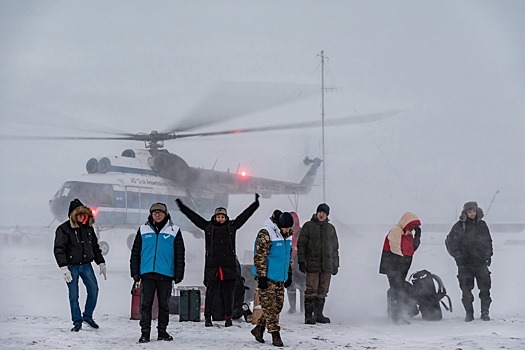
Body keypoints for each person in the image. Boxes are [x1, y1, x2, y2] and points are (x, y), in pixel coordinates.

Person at [176, 194, 259, 327]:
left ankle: (228, 318)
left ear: (226, 217)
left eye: (222, 217)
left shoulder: (232, 227)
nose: (220, 219)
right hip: (213, 266)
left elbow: (244, 217)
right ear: (215, 217)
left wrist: (255, 205)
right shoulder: (209, 228)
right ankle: (208, 317)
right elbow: (194, 218)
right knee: (211, 293)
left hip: (229, 266)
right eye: (218, 217)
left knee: (229, 294)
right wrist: (182, 208)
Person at [130, 203, 185, 343]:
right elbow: (135, 252)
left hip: (166, 274)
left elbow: (179, 254)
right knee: (145, 305)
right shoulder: (143, 229)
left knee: (164, 305)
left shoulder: (174, 230)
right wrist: (135, 273)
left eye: (160, 212)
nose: (157, 214)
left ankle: (162, 331)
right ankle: (145, 333)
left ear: (165, 214)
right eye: (155, 212)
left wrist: (179, 273)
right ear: (151, 214)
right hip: (147, 273)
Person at [53, 198, 106, 332]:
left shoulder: (88, 228)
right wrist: (64, 268)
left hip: (87, 265)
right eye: (78, 214)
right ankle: (77, 322)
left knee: (94, 291)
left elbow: (94, 246)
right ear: (72, 215)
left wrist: (100, 262)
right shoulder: (63, 229)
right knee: (73, 295)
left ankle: (87, 316)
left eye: (83, 214)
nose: (81, 217)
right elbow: (59, 249)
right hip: (71, 267)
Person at [251, 211, 294, 347]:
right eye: (285, 227)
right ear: (279, 225)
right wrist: (262, 276)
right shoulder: (266, 233)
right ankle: (275, 335)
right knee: (269, 307)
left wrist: (289, 274)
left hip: (280, 277)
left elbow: (288, 257)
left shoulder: (288, 236)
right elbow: (260, 257)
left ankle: (258, 329)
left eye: (289, 228)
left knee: (277, 307)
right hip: (267, 277)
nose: (287, 230)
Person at [445, 201, 493, 322]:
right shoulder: (459, 226)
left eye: (473, 211)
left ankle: (485, 312)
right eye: (469, 211)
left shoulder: (482, 225)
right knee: (466, 290)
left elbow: (488, 242)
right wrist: (458, 258)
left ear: (477, 212)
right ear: (465, 212)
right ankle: (469, 313)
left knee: (485, 289)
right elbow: (452, 243)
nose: (472, 214)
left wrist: (488, 256)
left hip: (481, 262)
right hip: (465, 264)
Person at [297, 203, 339, 324]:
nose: (321, 215)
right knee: (311, 290)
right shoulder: (308, 226)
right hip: (312, 264)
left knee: (323, 291)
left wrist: (336, 264)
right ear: (316, 213)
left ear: (327, 215)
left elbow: (335, 248)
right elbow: (301, 245)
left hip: (327, 265)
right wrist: (301, 261)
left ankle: (319, 314)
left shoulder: (331, 229)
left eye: (324, 213)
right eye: (320, 212)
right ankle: (309, 316)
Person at [379, 212, 421, 325]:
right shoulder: (396, 230)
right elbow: (394, 247)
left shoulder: (408, 235)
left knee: (398, 289)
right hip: (393, 265)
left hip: (401, 266)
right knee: (397, 290)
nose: (412, 229)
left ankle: (395, 314)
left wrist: (418, 235)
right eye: (411, 226)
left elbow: (412, 249)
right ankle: (396, 316)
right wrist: (401, 260)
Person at [286, 211, 305, 314]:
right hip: (289, 261)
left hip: (300, 260)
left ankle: (303, 309)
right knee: (290, 286)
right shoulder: (285, 232)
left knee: (303, 286)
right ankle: (292, 307)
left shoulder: (302, 232)